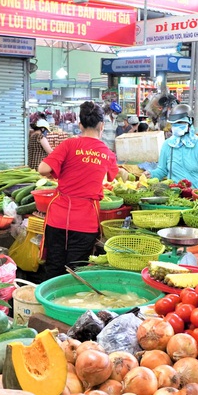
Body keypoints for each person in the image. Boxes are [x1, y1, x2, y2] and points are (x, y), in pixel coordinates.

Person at [38, 101, 128, 279]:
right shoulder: (107, 153)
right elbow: (116, 176)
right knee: (76, 273)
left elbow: (42, 169)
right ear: (101, 126)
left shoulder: (69, 144)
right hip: (85, 222)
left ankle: (49, 303)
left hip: (58, 218)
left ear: (80, 125)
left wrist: (58, 173)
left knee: (54, 268)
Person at [148, 104, 198, 190]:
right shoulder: (167, 145)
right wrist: (151, 174)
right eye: (174, 123)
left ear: (190, 122)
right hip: (173, 194)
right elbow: (162, 170)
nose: (176, 126)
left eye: (180, 122)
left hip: (194, 195)